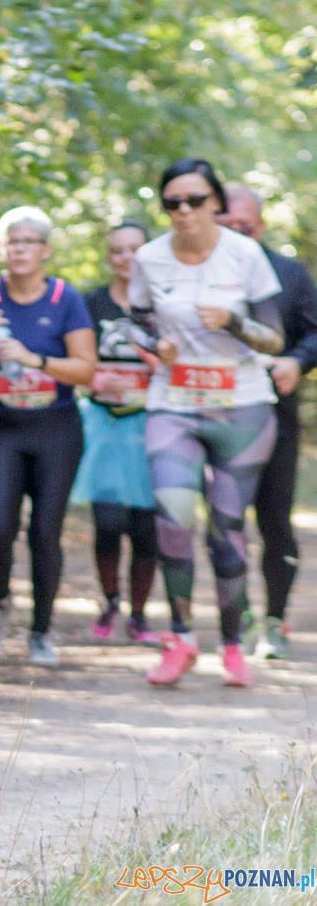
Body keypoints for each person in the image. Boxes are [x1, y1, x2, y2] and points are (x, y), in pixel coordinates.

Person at [127, 158, 283, 687]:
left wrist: (234, 322)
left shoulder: (246, 255)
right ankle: (181, 639)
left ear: (216, 202)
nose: (185, 211)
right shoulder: (150, 258)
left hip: (242, 405)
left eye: (195, 200)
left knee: (227, 530)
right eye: (173, 202)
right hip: (174, 402)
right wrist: (155, 344)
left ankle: (234, 644)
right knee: (171, 519)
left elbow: (275, 339)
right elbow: (139, 324)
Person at [0, 207, 96, 667]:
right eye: (12, 242)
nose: (20, 249)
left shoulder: (66, 299)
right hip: (3, 430)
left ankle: (41, 630)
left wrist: (36, 360)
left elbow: (87, 370)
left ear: (46, 250)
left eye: (29, 241)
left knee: (44, 533)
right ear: (1, 249)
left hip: (56, 429)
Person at [216, 181, 317, 659]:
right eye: (228, 224)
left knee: (274, 519)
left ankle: (275, 620)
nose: (237, 232)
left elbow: (314, 335)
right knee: (222, 520)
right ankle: (240, 621)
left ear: (260, 224)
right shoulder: (198, 269)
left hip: (275, 415)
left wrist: (296, 361)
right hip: (213, 413)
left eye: (245, 225)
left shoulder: (289, 273)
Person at [70, 222, 160, 644]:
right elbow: (71, 360)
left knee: (146, 526)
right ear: (109, 257)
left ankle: (139, 615)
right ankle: (109, 602)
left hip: (152, 424)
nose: (127, 259)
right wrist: (92, 378)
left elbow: (182, 363)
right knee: (107, 521)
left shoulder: (163, 303)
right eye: (118, 251)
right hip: (103, 423)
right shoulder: (91, 303)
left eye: (135, 250)